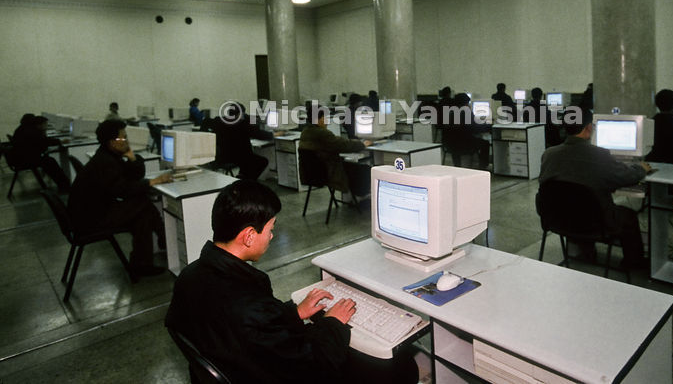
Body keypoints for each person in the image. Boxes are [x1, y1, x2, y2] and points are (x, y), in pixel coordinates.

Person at [164, 180, 418, 383]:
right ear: (249, 236)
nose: (272, 236)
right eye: (270, 229)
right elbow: (311, 367)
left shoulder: (190, 276)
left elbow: (253, 332)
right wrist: (332, 324)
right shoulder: (247, 305)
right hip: (272, 375)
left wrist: (293, 313)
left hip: (241, 367)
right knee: (399, 366)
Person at [538, 108, 651, 269]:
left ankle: (586, 252)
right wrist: (641, 169)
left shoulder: (549, 154)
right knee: (629, 215)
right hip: (596, 222)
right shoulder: (600, 155)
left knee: (577, 203)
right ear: (589, 128)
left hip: (557, 220)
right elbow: (626, 177)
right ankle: (633, 263)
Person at [69, 119, 172, 275]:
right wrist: (153, 182)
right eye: (123, 138)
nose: (127, 141)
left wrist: (132, 158)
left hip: (94, 213)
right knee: (142, 203)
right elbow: (122, 190)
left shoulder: (108, 155)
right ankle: (162, 238)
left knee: (143, 215)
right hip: (91, 220)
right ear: (112, 142)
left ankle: (142, 263)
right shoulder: (105, 162)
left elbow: (134, 176)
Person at [299, 108, 371, 199]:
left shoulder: (305, 132)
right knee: (364, 169)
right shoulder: (322, 133)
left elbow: (334, 143)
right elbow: (342, 145)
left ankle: (354, 199)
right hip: (328, 173)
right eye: (325, 118)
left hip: (311, 174)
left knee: (351, 165)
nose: (327, 122)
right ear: (318, 119)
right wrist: (362, 144)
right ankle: (362, 197)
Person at [8, 114, 70, 193]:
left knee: (49, 160)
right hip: (24, 160)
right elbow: (44, 142)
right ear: (38, 125)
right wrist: (60, 141)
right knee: (50, 162)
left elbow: (41, 143)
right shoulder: (30, 132)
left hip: (20, 158)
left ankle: (64, 185)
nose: (46, 126)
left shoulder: (22, 129)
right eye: (45, 124)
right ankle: (65, 186)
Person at [214, 103, 269, 180]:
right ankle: (247, 181)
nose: (243, 117)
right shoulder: (241, 124)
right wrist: (273, 134)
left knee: (247, 160)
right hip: (237, 157)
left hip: (223, 156)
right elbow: (259, 135)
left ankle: (242, 176)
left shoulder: (220, 122)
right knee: (262, 161)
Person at [441, 93, 491, 169]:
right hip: (464, 145)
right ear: (465, 103)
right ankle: (482, 167)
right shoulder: (466, 113)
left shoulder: (449, 112)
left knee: (458, 142)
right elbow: (475, 128)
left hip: (449, 145)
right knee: (485, 143)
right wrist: (489, 127)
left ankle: (457, 165)